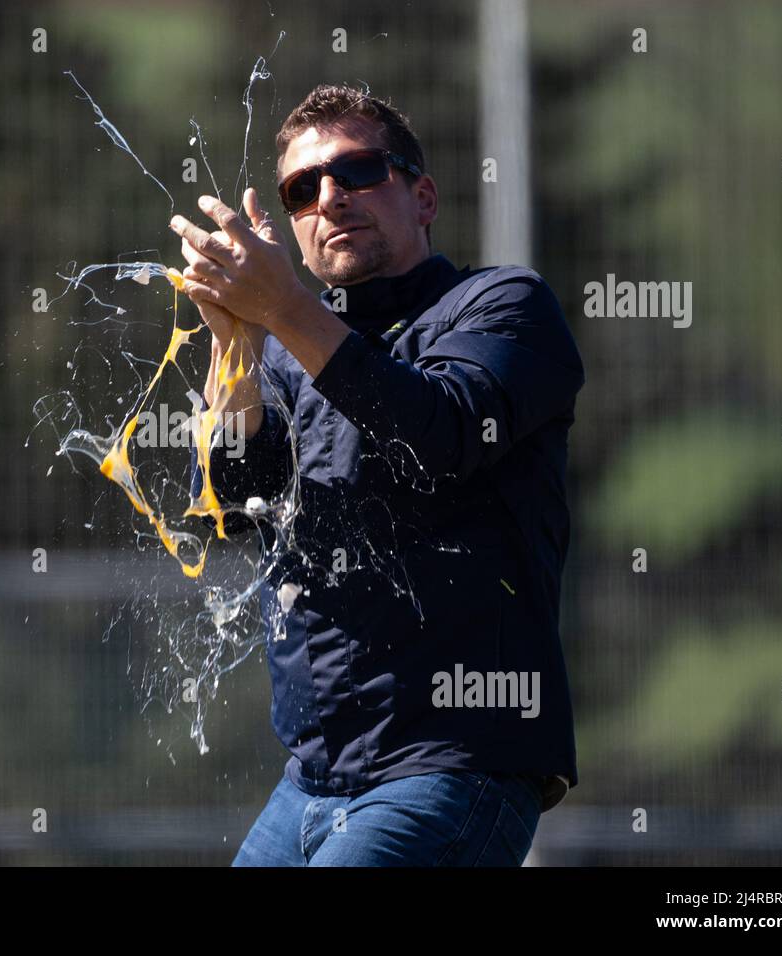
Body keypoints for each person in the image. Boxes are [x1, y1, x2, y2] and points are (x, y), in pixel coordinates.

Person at [169, 84, 585, 866]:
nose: (330, 198)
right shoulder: (287, 348)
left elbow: (440, 432)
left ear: (423, 196)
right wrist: (237, 347)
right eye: (303, 189)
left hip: (453, 764)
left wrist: (286, 310)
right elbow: (233, 505)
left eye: (359, 172)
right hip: (310, 782)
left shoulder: (502, 305)